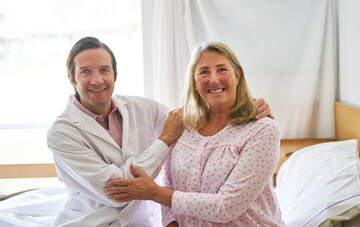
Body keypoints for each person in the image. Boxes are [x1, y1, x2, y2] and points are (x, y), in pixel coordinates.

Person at [48, 37, 273, 227]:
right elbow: (117, 191)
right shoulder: (62, 132)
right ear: (71, 78)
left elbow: (193, 118)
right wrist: (164, 140)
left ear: (115, 74)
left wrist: (249, 105)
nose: (97, 80)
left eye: (104, 70)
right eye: (85, 71)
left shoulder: (143, 108)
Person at [105, 42, 285, 226]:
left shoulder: (262, 130)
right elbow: (169, 184)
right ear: (194, 81)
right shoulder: (183, 125)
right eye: (204, 72)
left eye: (222, 69)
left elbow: (226, 207)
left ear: (237, 75)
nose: (214, 79)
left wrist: (153, 193)